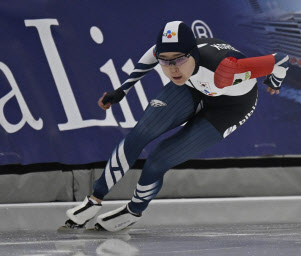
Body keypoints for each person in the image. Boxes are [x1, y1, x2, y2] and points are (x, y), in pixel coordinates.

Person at [65, 21, 289, 232]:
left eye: (179, 59)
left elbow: (280, 59)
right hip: (193, 86)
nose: (172, 69)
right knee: (140, 133)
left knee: (158, 160)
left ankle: (133, 212)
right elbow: (152, 55)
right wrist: (123, 89)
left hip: (230, 108)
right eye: (166, 61)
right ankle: (94, 200)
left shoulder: (225, 70)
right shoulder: (175, 61)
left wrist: (274, 81)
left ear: (194, 53)